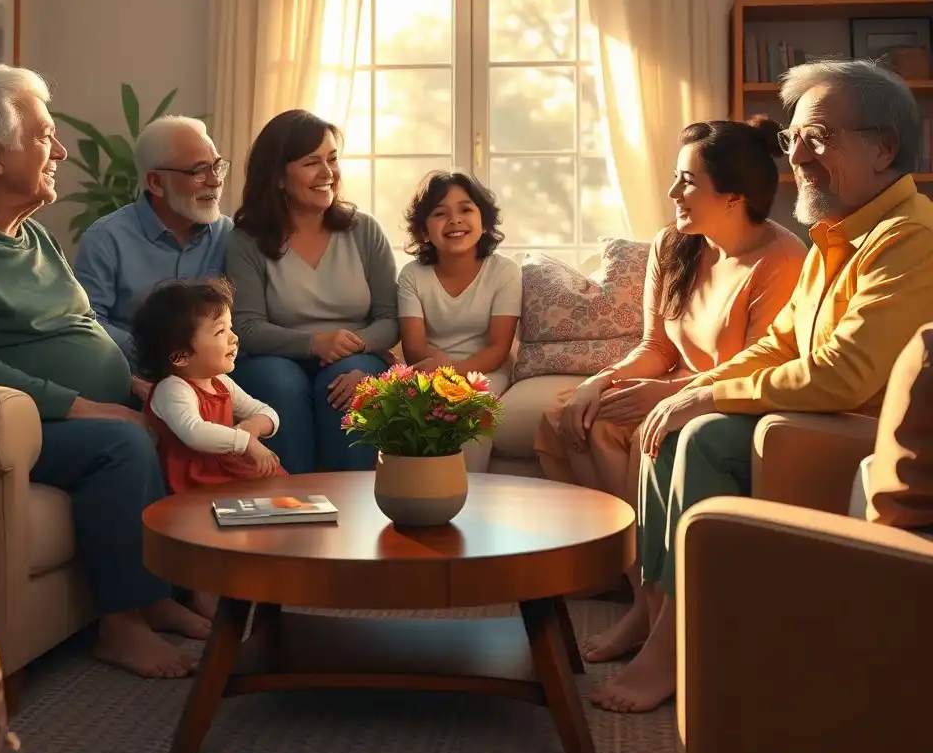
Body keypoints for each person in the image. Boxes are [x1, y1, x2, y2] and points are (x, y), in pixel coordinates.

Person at [594, 58, 933, 714]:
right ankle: (656, 608)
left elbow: (845, 372)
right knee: (677, 418)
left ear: (884, 147)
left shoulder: (909, 239)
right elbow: (781, 345)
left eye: (819, 137)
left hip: (859, 430)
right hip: (822, 415)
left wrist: (710, 396)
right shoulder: (837, 233)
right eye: (793, 137)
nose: (796, 156)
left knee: (707, 437)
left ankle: (672, 647)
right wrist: (691, 389)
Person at [0, 65, 210, 679]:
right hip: (12, 430)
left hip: (75, 412)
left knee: (183, 414)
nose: (61, 150)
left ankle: (153, 595)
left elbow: (84, 328)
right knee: (121, 441)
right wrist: (85, 406)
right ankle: (120, 626)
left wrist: (135, 385)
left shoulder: (35, 238)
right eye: (44, 136)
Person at [536, 117, 805, 654]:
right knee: (572, 415)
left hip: (729, 395)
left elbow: (759, 365)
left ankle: (646, 606)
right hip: (676, 381)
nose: (672, 192)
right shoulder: (673, 245)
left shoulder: (783, 260)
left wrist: (674, 395)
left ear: (732, 196)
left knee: (643, 438)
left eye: (686, 181)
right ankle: (640, 589)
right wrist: (599, 380)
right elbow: (656, 347)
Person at [225, 109, 399, 474]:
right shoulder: (247, 241)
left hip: (356, 354)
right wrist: (314, 343)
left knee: (348, 382)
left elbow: (389, 320)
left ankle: (354, 507)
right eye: (311, 163)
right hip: (275, 357)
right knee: (278, 383)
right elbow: (246, 326)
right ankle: (290, 506)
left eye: (332, 160)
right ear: (277, 177)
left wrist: (353, 345)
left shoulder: (364, 231)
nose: (328, 173)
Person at [73, 115, 233, 390]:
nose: (214, 181)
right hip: (134, 374)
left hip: (213, 376)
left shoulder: (227, 234)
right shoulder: (106, 238)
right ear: (155, 183)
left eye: (217, 167)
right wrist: (155, 353)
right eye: (198, 171)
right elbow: (88, 320)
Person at [397, 170, 522, 471]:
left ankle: (469, 495)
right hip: (429, 367)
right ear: (424, 231)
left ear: (484, 221)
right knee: (407, 411)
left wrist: (456, 378)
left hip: (485, 371)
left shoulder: (504, 272)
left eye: (466, 209)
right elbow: (414, 348)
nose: (455, 220)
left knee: (469, 406)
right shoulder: (412, 275)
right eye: (440, 213)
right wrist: (441, 376)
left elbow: (498, 348)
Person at [131, 277, 285, 495]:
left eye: (230, 328)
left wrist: (252, 427)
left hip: (227, 470)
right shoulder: (172, 389)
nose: (234, 338)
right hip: (196, 482)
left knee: (279, 489)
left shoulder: (220, 382)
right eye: (220, 332)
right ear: (180, 356)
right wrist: (245, 442)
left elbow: (265, 412)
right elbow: (195, 432)